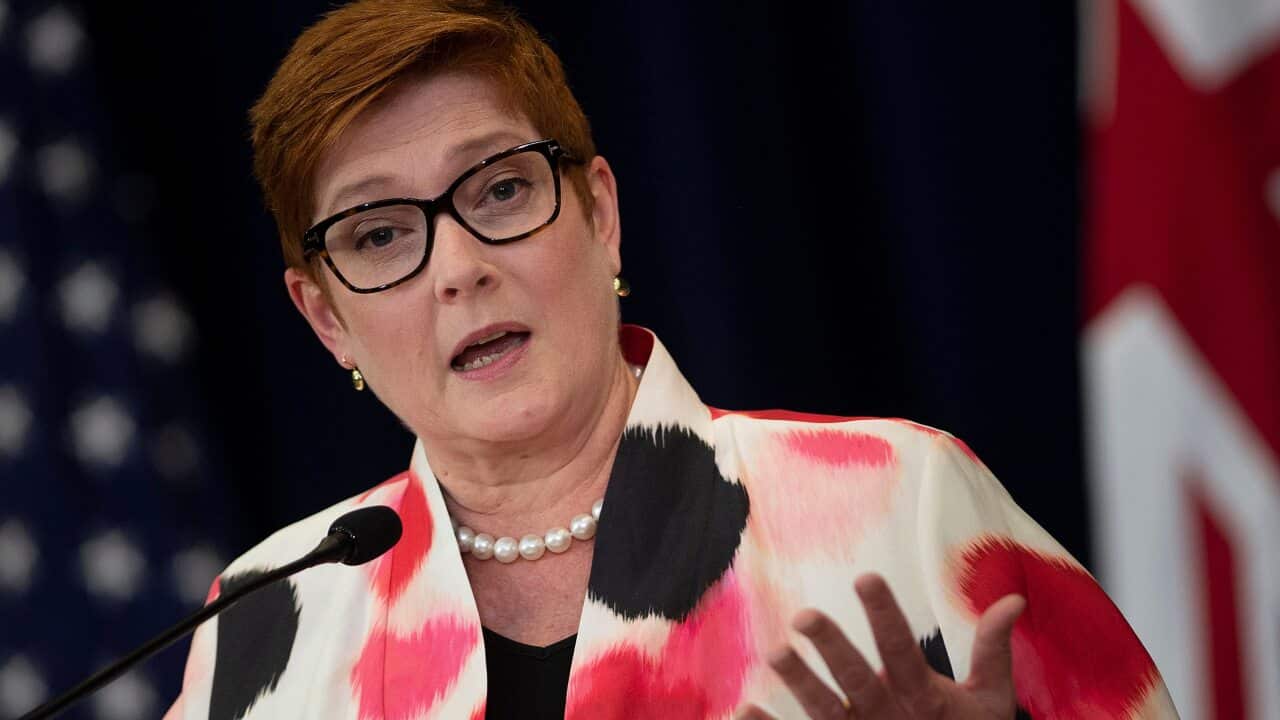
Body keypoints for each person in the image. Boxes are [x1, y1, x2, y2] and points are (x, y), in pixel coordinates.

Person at [166, 1, 1178, 718]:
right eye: (381, 235)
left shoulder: (896, 500)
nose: (458, 269)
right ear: (325, 318)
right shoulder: (269, 617)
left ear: (598, 214)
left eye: (500, 192)